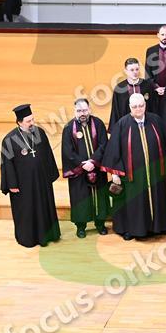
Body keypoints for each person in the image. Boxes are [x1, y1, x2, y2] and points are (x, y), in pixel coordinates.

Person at [102, 93, 166, 240]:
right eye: (134, 106)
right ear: (130, 107)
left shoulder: (156, 120)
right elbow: (113, 150)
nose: (138, 109)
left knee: (157, 198)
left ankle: (158, 227)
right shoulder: (122, 124)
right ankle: (135, 230)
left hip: (155, 173)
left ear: (145, 105)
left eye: (141, 105)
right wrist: (115, 173)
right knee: (135, 202)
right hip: (133, 175)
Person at [0, 104, 60, 247]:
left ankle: (48, 235)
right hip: (23, 185)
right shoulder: (10, 140)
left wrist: (50, 175)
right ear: (19, 122)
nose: (32, 123)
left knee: (44, 207)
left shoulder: (39, 133)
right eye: (28, 121)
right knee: (28, 210)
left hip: (41, 181)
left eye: (33, 119)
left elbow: (48, 154)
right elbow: (7, 164)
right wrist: (12, 184)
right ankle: (29, 238)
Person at [61, 99, 109, 238]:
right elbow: (68, 151)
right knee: (81, 199)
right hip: (79, 171)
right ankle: (81, 227)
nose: (82, 113)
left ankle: (100, 224)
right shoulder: (68, 128)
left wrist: (93, 161)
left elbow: (104, 144)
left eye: (85, 110)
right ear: (74, 111)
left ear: (89, 109)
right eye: (79, 111)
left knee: (100, 197)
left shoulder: (98, 124)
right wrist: (83, 164)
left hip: (97, 168)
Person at [109, 58, 157, 129]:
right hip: (126, 127)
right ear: (125, 71)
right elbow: (116, 111)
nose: (135, 72)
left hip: (146, 125)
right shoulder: (119, 88)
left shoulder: (147, 85)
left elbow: (153, 107)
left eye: (137, 69)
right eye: (132, 70)